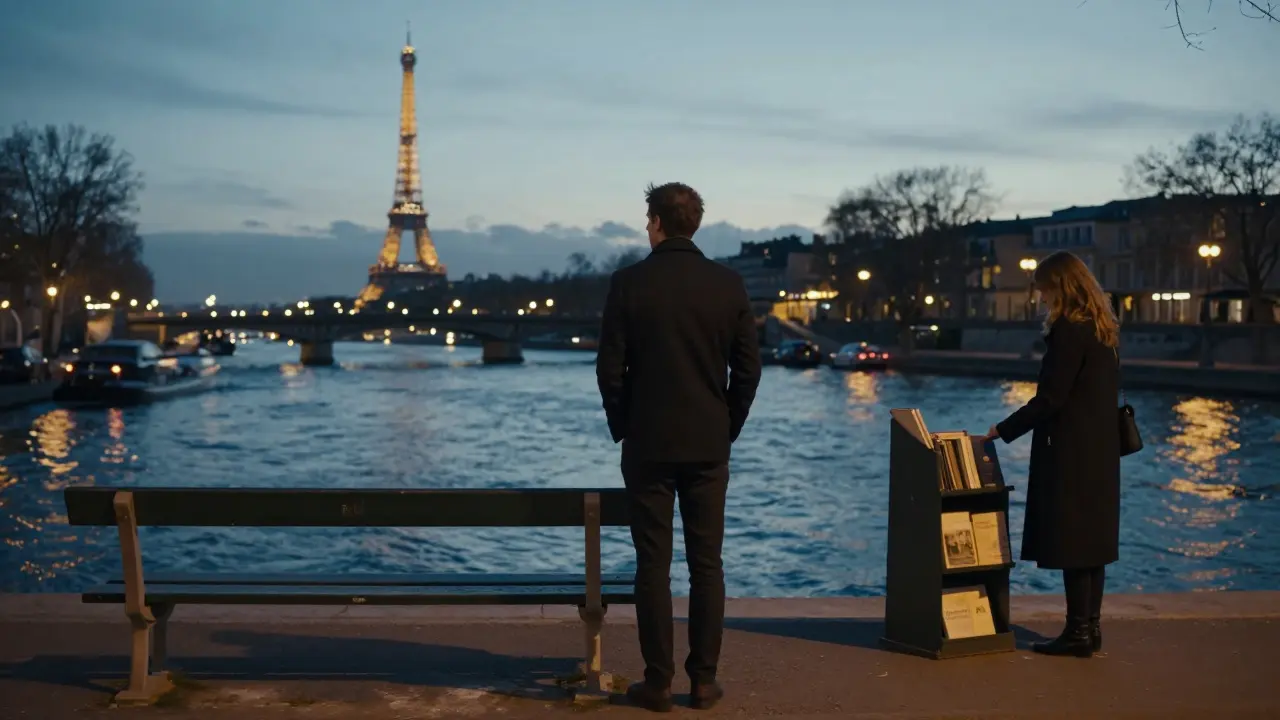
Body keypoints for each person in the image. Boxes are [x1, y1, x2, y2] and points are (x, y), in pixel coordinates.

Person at [596, 182, 762, 711]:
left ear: (658, 223)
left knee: (653, 564)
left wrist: (625, 424)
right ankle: (704, 680)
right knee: (707, 563)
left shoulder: (628, 284)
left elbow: (609, 370)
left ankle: (659, 681)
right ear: (696, 224)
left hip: (648, 444)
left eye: (648, 221)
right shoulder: (728, 285)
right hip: (708, 444)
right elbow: (748, 370)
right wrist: (726, 425)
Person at [983, 250, 1121, 659]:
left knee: (1074, 542)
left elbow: (1052, 398)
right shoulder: (1103, 330)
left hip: (1071, 451)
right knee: (1093, 544)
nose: (1041, 298)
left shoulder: (1068, 331)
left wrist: (1003, 430)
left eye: (1044, 289)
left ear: (1060, 287)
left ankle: (1077, 634)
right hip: (1100, 450)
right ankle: (1089, 629)